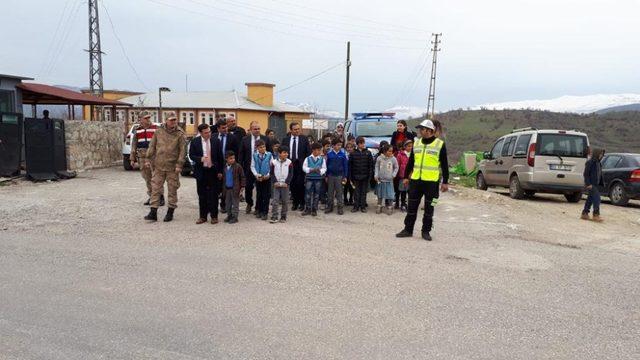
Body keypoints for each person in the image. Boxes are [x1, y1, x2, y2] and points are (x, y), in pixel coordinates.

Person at [396, 119, 449, 241]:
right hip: (416, 181)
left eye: (422, 129)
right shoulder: (417, 143)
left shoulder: (439, 144)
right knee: (412, 206)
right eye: (419, 129)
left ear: (430, 130)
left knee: (430, 207)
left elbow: (445, 164)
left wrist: (445, 181)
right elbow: (411, 161)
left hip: (432, 182)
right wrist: (405, 177)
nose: (420, 131)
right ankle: (408, 229)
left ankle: (426, 231)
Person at [144, 112, 187, 222]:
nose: (173, 122)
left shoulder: (180, 133)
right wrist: (148, 158)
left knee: (172, 189)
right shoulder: (158, 131)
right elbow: (152, 146)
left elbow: (183, 151)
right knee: (155, 188)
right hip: (159, 165)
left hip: (172, 167)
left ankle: (170, 211)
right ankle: (153, 212)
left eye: (175, 120)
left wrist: (179, 164)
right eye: (171, 120)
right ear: (166, 120)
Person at [189, 123, 223, 224]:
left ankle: (214, 216)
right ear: (201, 133)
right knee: (202, 195)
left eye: (209, 131)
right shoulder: (195, 142)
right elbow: (191, 155)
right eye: (206, 132)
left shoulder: (216, 141)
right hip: (201, 171)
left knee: (214, 195)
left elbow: (220, 157)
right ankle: (203, 216)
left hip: (213, 171)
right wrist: (200, 159)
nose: (208, 134)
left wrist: (220, 171)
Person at [130, 111, 162, 206]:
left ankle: (160, 197)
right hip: (142, 157)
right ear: (141, 119)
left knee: (156, 178)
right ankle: (152, 196)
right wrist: (132, 159)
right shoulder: (137, 129)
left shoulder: (156, 128)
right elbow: (134, 145)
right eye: (146, 118)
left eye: (149, 117)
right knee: (147, 178)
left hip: (154, 156)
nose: (148, 119)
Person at [239, 121, 271, 215]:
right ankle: (249, 203)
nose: (257, 130)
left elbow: (270, 153)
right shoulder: (245, 139)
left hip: (262, 169)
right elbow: (241, 155)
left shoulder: (266, 139)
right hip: (249, 169)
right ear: (250, 129)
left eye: (258, 128)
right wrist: (241, 167)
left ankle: (258, 207)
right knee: (248, 187)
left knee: (260, 189)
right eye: (255, 129)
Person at [281, 122, 311, 211]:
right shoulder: (285, 140)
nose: (297, 131)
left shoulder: (304, 139)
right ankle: (295, 202)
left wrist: (306, 164)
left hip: (300, 164)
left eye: (298, 129)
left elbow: (308, 152)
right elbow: (282, 151)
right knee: (292, 184)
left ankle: (302, 203)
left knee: (300, 184)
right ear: (291, 130)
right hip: (290, 164)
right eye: (295, 129)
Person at [215, 119, 239, 213]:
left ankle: (224, 205)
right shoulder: (213, 137)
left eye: (226, 127)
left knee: (227, 185)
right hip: (216, 165)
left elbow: (236, 152)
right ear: (218, 129)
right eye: (223, 128)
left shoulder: (232, 138)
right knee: (216, 186)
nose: (225, 129)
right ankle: (213, 204)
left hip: (228, 165)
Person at [349, 136, 373, 213]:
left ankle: (363, 206)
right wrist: (350, 176)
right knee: (356, 192)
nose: (362, 145)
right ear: (357, 144)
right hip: (355, 176)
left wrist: (369, 176)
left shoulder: (368, 153)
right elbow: (350, 166)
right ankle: (356, 206)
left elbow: (370, 165)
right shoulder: (353, 153)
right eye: (361, 143)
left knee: (363, 192)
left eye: (363, 143)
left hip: (365, 176)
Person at [302, 142, 327, 216]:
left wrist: (320, 171)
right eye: (316, 150)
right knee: (308, 194)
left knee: (316, 194)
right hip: (309, 178)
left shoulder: (322, 159)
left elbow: (324, 168)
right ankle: (308, 208)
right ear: (312, 150)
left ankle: (314, 209)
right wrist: (311, 170)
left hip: (318, 179)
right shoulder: (307, 158)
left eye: (319, 150)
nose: (317, 152)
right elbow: (304, 167)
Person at [325, 137, 348, 215]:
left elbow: (345, 166)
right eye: (337, 145)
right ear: (333, 146)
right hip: (331, 176)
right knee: (330, 192)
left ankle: (340, 208)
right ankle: (329, 207)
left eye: (340, 145)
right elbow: (327, 165)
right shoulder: (329, 154)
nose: (339, 147)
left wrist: (345, 176)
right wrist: (326, 176)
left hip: (339, 176)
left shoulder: (343, 155)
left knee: (339, 192)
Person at [251, 139, 273, 221]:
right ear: (257, 148)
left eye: (264, 147)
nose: (263, 148)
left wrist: (268, 175)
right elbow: (252, 166)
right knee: (259, 195)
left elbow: (272, 167)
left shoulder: (270, 155)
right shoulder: (254, 155)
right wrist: (256, 175)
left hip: (267, 178)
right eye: (261, 147)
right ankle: (259, 210)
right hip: (258, 178)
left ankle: (265, 212)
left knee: (266, 195)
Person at [270, 146, 293, 223]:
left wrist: (287, 182)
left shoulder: (289, 162)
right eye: (284, 153)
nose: (286, 154)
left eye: (287, 153)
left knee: (285, 201)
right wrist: (275, 182)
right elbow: (272, 173)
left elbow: (291, 174)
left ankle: (283, 216)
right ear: (279, 153)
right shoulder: (274, 162)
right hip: (276, 185)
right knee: (275, 200)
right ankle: (274, 216)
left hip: (285, 185)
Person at [582, 148, 605, 222]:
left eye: (602, 154)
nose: (601, 156)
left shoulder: (598, 163)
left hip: (596, 184)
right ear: (597, 154)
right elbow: (586, 174)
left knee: (590, 199)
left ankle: (585, 213)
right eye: (600, 154)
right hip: (591, 184)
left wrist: (601, 183)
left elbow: (599, 174)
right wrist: (588, 184)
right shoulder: (590, 162)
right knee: (597, 199)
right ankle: (596, 215)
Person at [375, 144, 399, 215]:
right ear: (384, 151)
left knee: (390, 194)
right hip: (380, 180)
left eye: (391, 151)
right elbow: (376, 167)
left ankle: (390, 206)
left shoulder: (393, 159)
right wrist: (376, 175)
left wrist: (393, 175)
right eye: (389, 151)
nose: (391, 152)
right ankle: (379, 205)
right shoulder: (379, 158)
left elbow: (396, 167)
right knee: (380, 194)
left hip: (389, 180)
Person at [223, 151, 245, 224]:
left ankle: (235, 217)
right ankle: (229, 215)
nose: (232, 160)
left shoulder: (238, 166)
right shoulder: (225, 167)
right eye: (230, 158)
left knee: (235, 204)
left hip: (235, 189)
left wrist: (242, 186)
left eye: (233, 158)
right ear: (226, 159)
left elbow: (242, 177)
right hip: (227, 189)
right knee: (227, 204)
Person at [395, 139, 413, 212]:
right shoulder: (400, 155)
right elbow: (397, 165)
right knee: (403, 191)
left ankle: (410, 205)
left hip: (412, 177)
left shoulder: (414, 154)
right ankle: (402, 204)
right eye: (408, 146)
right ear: (404, 146)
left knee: (410, 192)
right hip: (402, 176)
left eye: (411, 146)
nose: (410, 148)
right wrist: (397, 174)